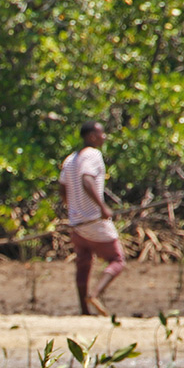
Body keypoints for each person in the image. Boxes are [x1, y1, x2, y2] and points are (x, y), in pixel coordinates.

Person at [59, 120, 124, 316]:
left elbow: (62, 187)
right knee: (117, 259)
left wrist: (72, 207)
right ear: (92, 136)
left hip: (77, 224)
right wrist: (102, 207)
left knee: (83, 264)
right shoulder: (93, 155)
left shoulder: (70, 159)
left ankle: (84, 310)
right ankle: (94, 295)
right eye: (101, 134)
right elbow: (86, 180)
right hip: (94, 222)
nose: (104, 137)